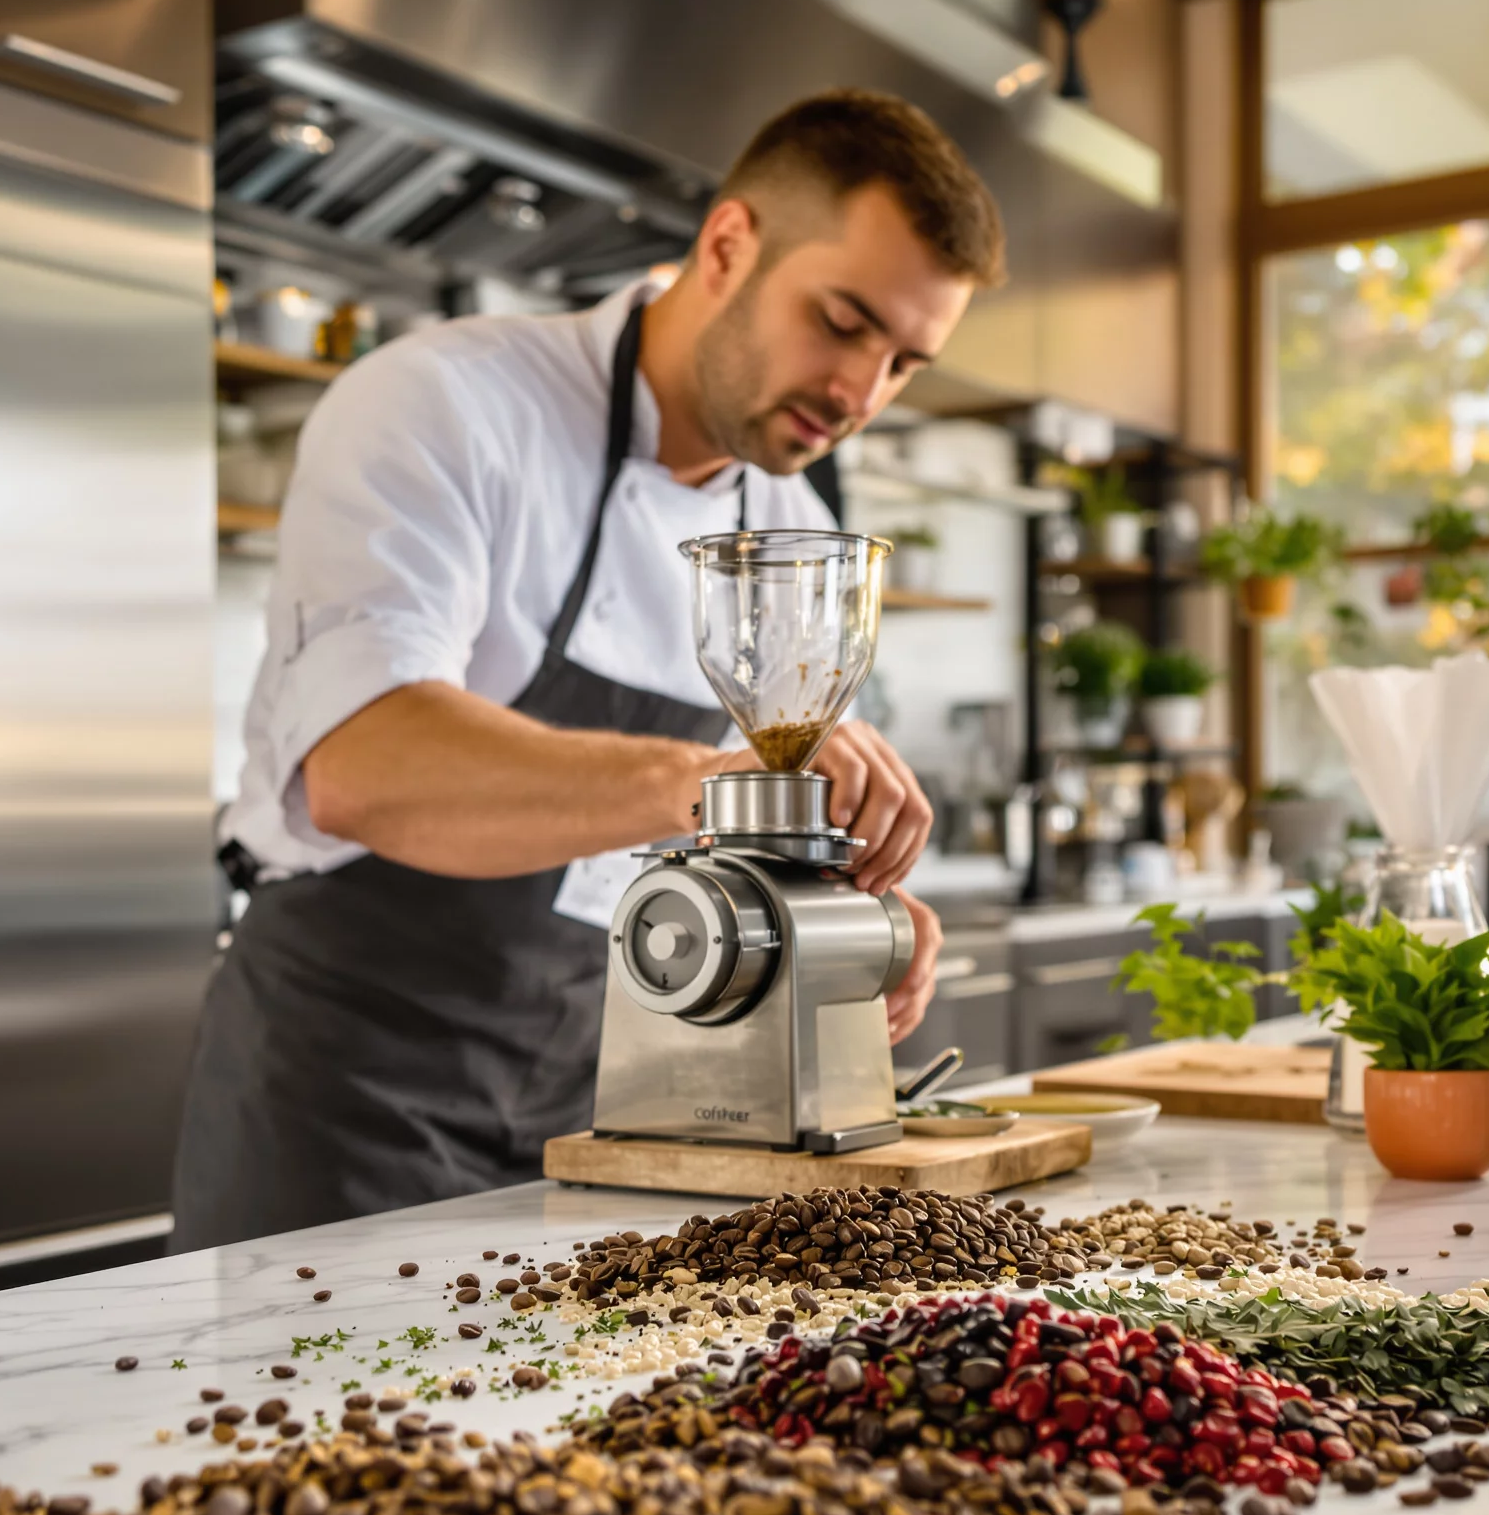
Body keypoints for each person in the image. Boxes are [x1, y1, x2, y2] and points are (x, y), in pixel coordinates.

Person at [171, 88, 1007, 1249]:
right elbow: (361, 766)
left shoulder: (792, 524)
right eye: (840, 321)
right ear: (727, 245)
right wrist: (708, 784)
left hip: (607, 1106)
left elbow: (761, 846)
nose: (859, 394)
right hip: (348, 1092)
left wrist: (851, 911)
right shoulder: (448, 402)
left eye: (904, 363)